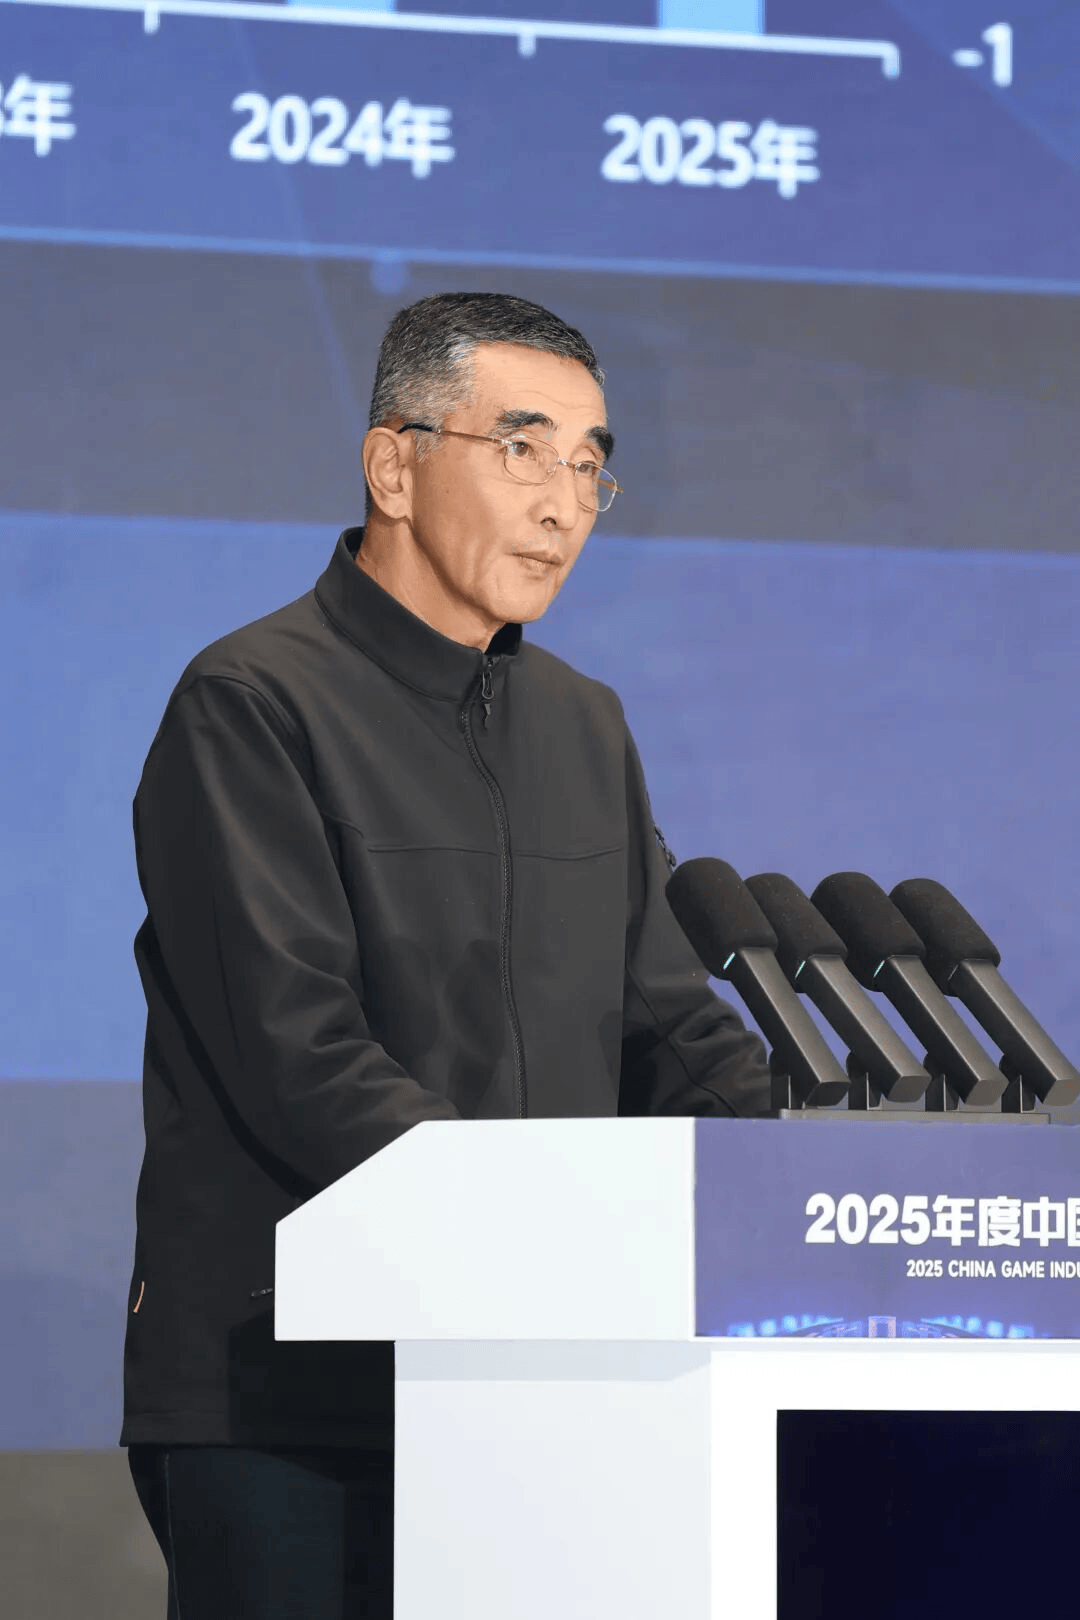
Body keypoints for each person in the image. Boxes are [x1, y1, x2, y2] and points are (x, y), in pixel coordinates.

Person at [123, 291, 770, 1618]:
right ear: (394, 467)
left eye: (589, 465)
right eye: (522, 449)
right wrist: (554, 1233)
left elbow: (667, 1022)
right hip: (294, 1397)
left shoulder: (584, 724)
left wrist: (796, 1184)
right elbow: (301, 1052)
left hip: (544, 1388)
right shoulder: (251, 702)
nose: (565, 503)